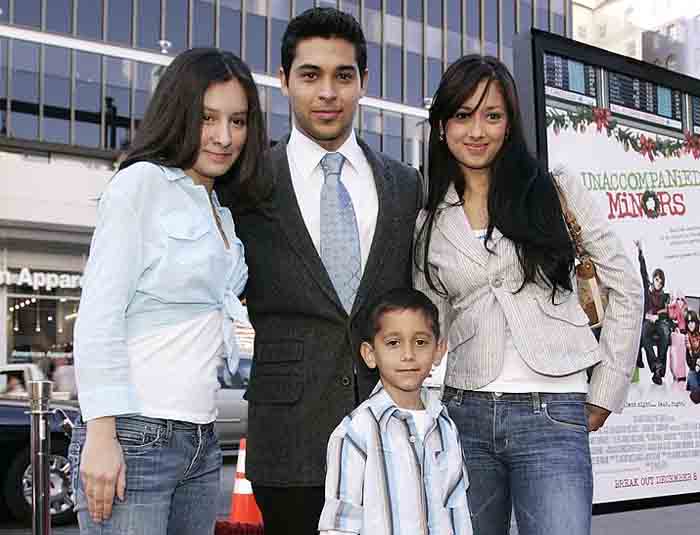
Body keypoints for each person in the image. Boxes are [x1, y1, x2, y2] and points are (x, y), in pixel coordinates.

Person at [414, 55, 642, 535]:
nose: (477, 130)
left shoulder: (555, 190)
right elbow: (426, 321)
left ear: (510, 124)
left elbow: (626, 285)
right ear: (441, 126)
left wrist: (607, 388)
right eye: (463, 115)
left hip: (552, 412)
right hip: (464, 413)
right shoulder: (429, 220)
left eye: (492, 115)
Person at [230, 8, 422, 535]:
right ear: (285, 80)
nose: (327, 93)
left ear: (363, 82)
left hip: (389, 436)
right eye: (310, 75)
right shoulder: (246, 183)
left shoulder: (406, 185)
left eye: (343, 76)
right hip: (289, 444)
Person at [70, 48, 266, 535]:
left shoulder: (219, 207)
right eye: (207, 118)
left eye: (238, 121)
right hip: (135, 435)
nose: (225, 137)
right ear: (178, 112)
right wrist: (101, 432)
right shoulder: (140, 185)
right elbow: (99, 313)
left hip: (200, 439)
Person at [317, 288, 472, 535]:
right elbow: (339, 524)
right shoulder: (355, 433)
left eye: (420, 342)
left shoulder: (445, 428)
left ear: (438, 350)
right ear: (370, 354)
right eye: (393, 343)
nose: (408, 354)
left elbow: (457, 511)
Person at [636, 240, 672, 385]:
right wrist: (640, 252)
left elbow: (668, 312)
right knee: (644, 334)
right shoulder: (647, 288)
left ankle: (660, 369)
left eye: (660, 281)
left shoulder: (665, 296)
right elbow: (643, 270)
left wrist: (659, 316)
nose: (658, 283)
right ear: (653, 279)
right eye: (656, 279)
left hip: (660, 322)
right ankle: (656, 367)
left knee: (665, 333)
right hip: (647, 321)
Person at [685, 311, 700, 404]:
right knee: (691, 375)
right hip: (694, 369)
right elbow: (689, 361)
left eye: (692, 322)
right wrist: (697, 362)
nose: (690, 325)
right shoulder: (687, 338)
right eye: (688, 322)